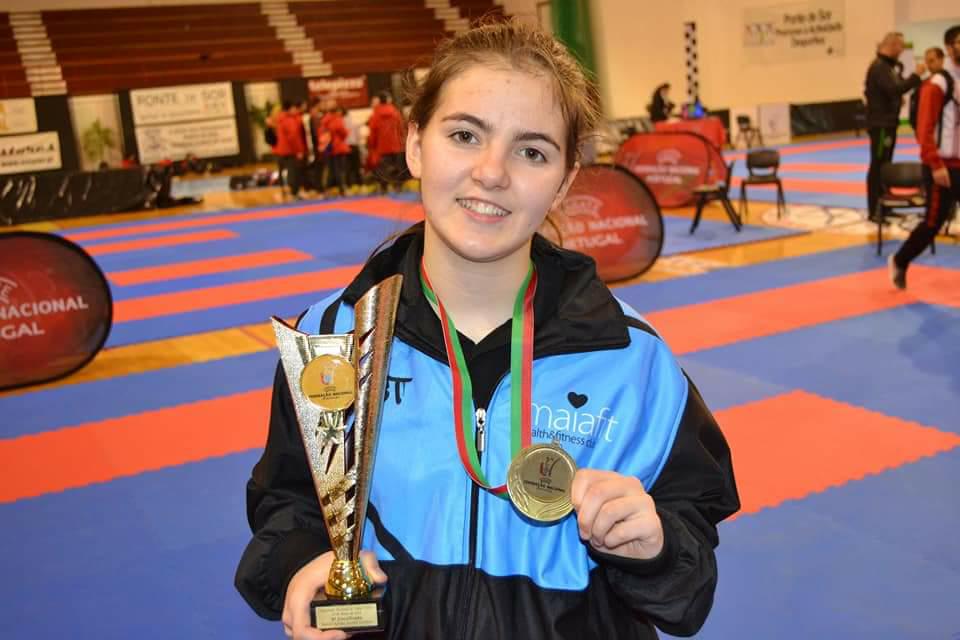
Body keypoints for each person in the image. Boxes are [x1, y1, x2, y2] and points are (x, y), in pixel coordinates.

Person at [235, 19, 739, 640]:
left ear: (565, 180)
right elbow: (288, 500)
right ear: (415, 143)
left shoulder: (630, 358)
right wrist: (297, 566)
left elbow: (689, 576)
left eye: (532, 151)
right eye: (465, 135)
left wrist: (654, 549)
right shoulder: (335, 337)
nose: (492, 172)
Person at [889, 25, 960, 289]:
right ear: (949, 48)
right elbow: (923, 127)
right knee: (932, 224)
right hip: (942, 167)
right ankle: (900, 260)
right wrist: (935, 163)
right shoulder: (938, 83)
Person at [864, 32, 925, 218]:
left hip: (887, 122)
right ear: (892, 45)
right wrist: (916, 76)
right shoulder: (880, 67)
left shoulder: (887, 67)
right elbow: (895, 89)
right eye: (900, 46)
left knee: (885, 165)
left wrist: (896, 100)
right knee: (879, 165)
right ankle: (875, 209)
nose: (901, 51)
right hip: (881, 124)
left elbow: (890, 91)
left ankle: (885, 204)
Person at [366, 91, 406, 192]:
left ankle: (384, 188)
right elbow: (401, 128)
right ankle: (398, 186)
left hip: (382, 146)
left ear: (379, 101)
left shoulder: (375, 115)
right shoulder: (395, 113)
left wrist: (372, 145)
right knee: (397, 167)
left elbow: (373, 131)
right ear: (388, 100)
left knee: (383, 168)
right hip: (396, 145)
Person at [275, 100, 308, 200]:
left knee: (290, 172)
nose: (295, 110)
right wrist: (299, 151)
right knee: (294, 172)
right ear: (290, 109)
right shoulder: (288, 120)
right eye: (294, 108)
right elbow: (293, 137)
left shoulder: (281, 118)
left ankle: (292, 192)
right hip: (290, 150)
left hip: (283, 150)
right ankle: (294, 192)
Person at [909, 47, 946, 132]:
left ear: (941, 60)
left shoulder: (946, 81)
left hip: (939, 127)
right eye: (926, 61)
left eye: (931, 61)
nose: (928, 65)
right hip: (922, 126)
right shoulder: (924, 82)